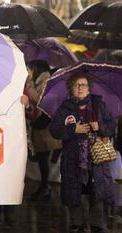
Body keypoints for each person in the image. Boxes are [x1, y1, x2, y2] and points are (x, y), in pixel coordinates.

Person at [50, 72, 116, 233]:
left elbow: (111, 126)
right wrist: (74, 129)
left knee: (97, 192)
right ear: (71, 88)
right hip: (72, 158)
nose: (80, 88)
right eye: (76, 85)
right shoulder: (64, 108)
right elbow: (54, 130)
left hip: (96, 158)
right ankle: (77, 224)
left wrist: (98, 126)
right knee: (74, 192)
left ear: (89, 88)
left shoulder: (98, 104)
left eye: (83, 85)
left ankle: (97, 224)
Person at [26, 60, 62, 200]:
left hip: (45, 124)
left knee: (42, 156)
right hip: (39, 122)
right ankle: (44, 186)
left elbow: (41, 101)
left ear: (36, 69)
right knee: (41, 156)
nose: (27, 71)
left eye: (29, 68)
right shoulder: (38, 81)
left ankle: (45, 187)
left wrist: (29, 87)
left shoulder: (45, 81)